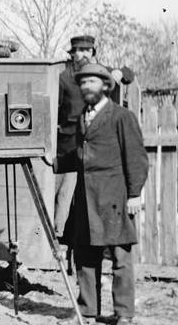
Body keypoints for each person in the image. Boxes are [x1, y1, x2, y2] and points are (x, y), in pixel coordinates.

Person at [55, 64, 148, 325]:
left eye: (93, 82)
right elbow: (80, 156)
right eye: (83, 83)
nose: (87, 87)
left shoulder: (120, 116)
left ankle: (124, 314)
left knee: (120, 259)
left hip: (115, 199)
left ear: (106, 86)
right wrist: (54, 163)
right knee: (85, 257)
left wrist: (134, 194)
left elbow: (137, 158)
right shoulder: (83, 117)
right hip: (87, 200)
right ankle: (87, 310)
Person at [55, 35, 135, 242]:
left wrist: (118, 72)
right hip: (69, 145)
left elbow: (129, 74)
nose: (83, 55)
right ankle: (62, 238)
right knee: (66, 197)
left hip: (97, 146)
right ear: (72, 54)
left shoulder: (100, 74)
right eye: (79, 51)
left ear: (93, 53)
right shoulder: (63, 78)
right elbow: (56, 110)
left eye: (88, 51)